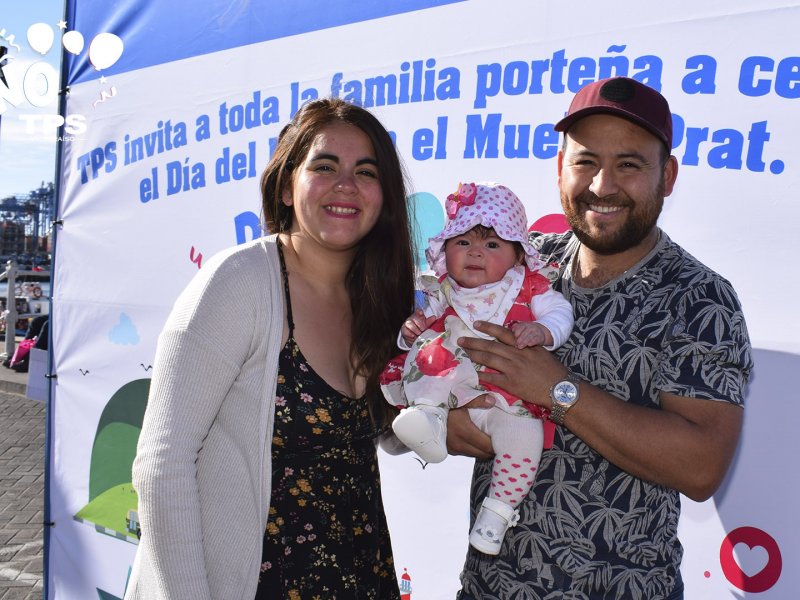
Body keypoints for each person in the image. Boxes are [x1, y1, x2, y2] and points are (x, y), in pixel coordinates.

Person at [450, 77, 753, 599]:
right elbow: (436, 358)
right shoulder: (519, 262)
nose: (602, 185)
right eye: (585, 162)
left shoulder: (700, 298)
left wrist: (557, 390)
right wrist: (453, 418)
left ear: (668, 175)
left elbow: (702, 466)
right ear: (560, 168)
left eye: (629, 164)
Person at [125, 98, 416, 600]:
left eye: (365, 172)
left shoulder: (379, 302)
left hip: (363, 578)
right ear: (286, 185)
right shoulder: (238, 282)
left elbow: (389, 437)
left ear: (384, 198)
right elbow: (162, 462)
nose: (345, 184)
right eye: (324, 166)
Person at [380, 182, 573, 555]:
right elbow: (411, 337)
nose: (476, 253)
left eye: (492, 244)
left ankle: (497, 513)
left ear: (518, 256)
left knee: (524, 439)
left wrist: (544, 330)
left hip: (505, 399)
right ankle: (428, 421)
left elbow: (560, 313)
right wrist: (409, 333)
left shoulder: (529, 287)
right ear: (445, 251)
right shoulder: (444, 291)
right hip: (450, 387)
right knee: (429, 360)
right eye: (463, 242)